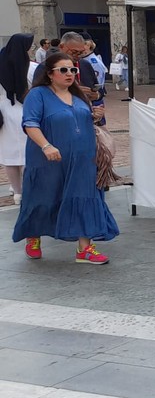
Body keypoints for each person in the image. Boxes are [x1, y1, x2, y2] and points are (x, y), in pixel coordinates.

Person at [12, 51, 118, 264]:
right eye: (63, 70)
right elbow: (30, 124)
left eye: (73, 69)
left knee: (85, 197)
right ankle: (33, 236)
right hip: (48, 159)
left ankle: (85, 249)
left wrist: (93, 116)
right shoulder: (38, 94)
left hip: (83, 159)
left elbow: (80, 123)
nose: (69, 74)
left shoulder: (78, 95)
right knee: (43, 198)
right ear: (50, 74)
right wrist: (46, 146)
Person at [0, 34, 35, 206]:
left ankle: (17, 192)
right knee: (28, 153)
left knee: (10, 155)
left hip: (4, 112)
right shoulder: (30, 67)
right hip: (26, 109)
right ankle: (29, 190)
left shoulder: (1, 63)